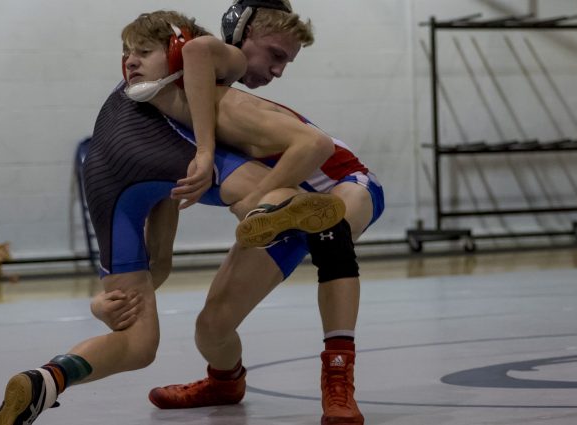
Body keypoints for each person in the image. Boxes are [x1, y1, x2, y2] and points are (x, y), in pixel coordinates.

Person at [0, 5, 347, 425]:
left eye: (141, 51)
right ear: (179, 47)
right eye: (128, 53)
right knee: (269, 186)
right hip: (160, 155)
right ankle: (277, 210)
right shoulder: (216, 61)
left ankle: (45, 380)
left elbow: (160, 261)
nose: (131, 61)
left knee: (137, 341)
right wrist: (207, 150)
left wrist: (102, 303)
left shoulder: (139, 99)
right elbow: (199, 56)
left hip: (111, 184)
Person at [98, 8, 384, 425]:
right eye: (275, 56)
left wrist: (234, 181)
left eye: (284, 60)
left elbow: (315, 147)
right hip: (282, 205)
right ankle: (225, 381)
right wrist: (108, 301)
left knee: (330, 226)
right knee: (210, 327)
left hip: (344, 183)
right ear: (243, 34)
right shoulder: (175, 115)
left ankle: (337, 380)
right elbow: (160, 245)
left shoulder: (221, 98)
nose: (279, 71)